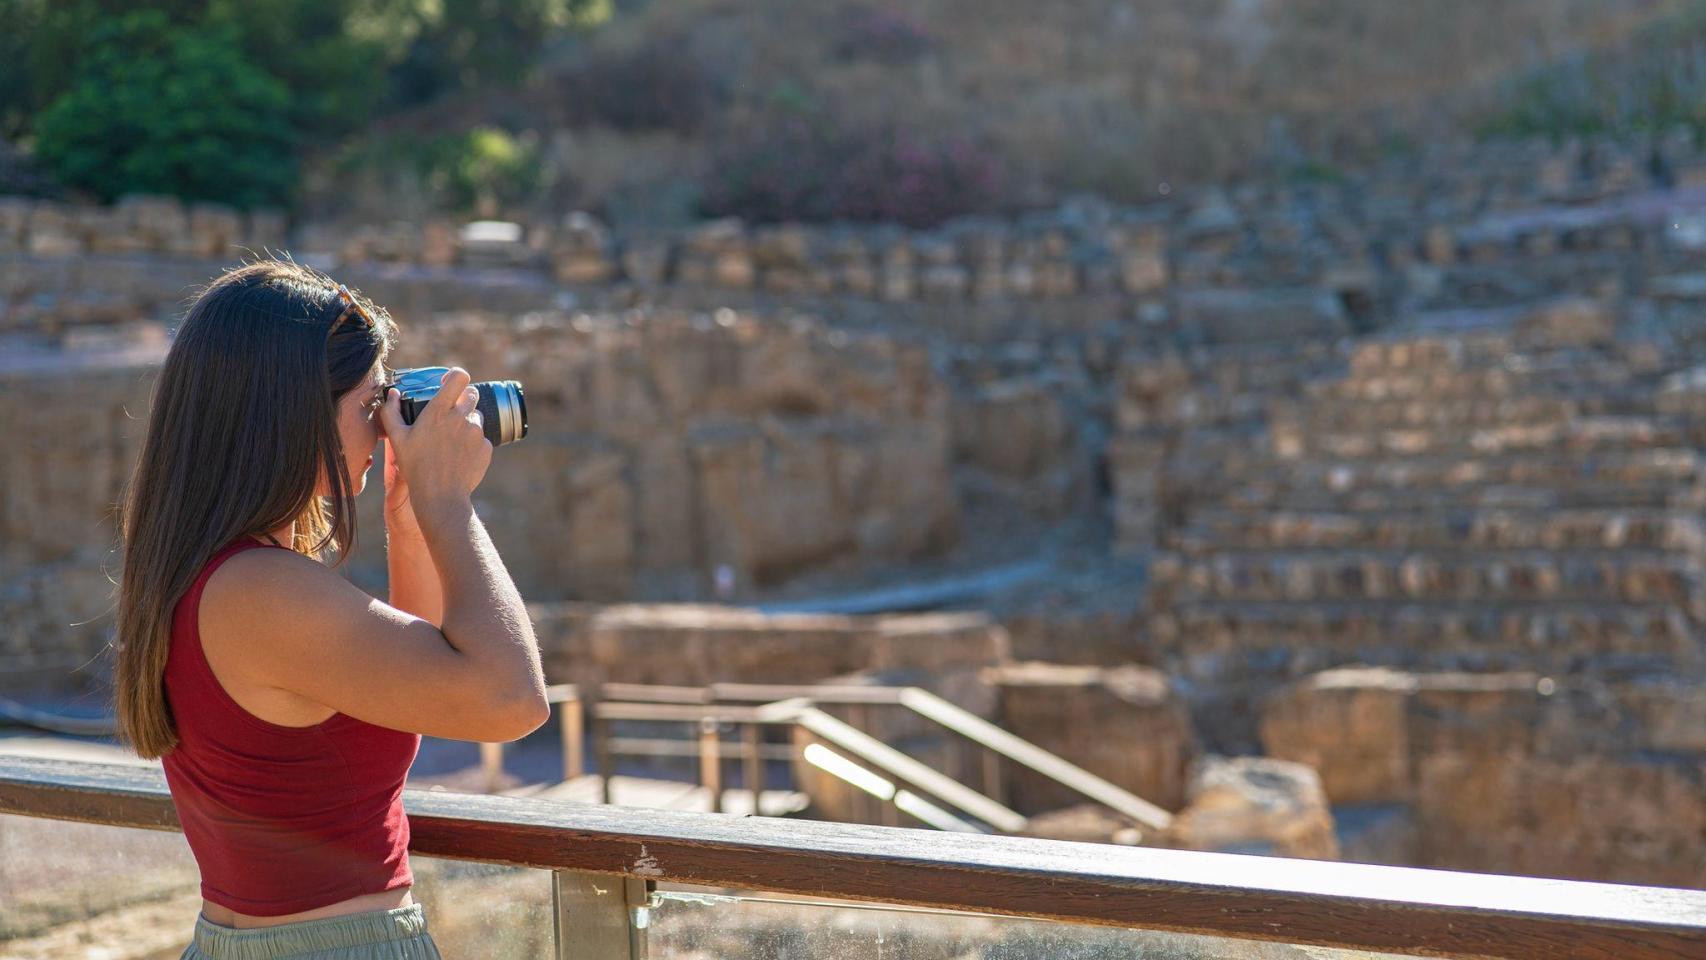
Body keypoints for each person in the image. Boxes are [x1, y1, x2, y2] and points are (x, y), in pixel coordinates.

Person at [109, 258, 549, 959]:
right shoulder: (261, 592)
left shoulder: (213, 573)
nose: (385, 427)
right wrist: (448, 502)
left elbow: (421, 690)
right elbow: (509, 700)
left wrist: (408, 517)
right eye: (372, 403)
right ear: (297, 414)